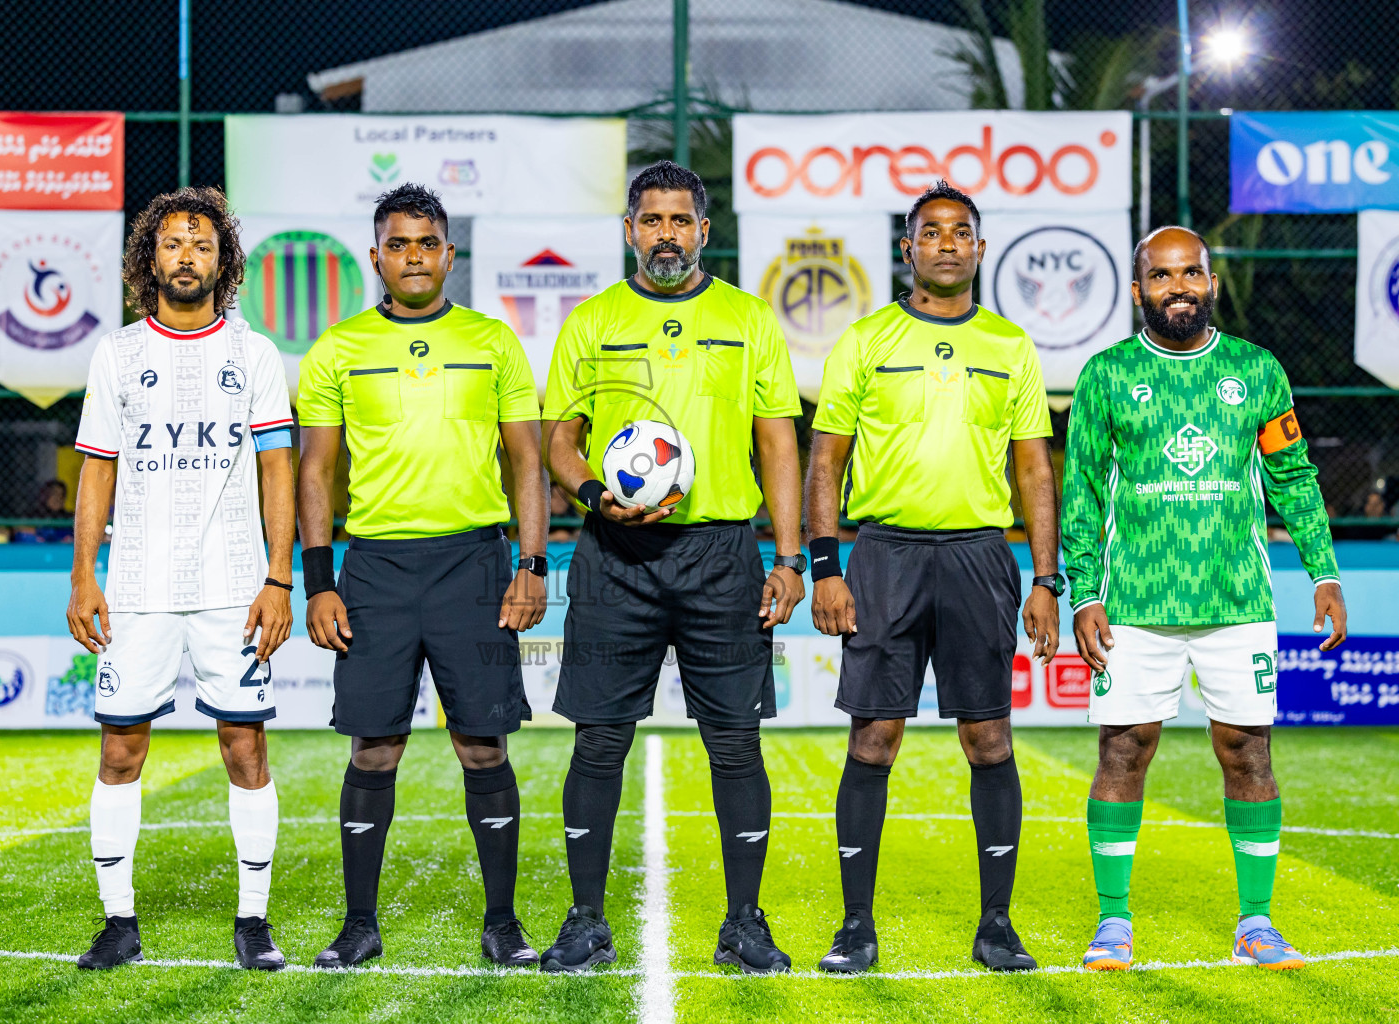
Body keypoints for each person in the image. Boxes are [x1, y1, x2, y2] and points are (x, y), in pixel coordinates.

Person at [538, 160, 805, 975]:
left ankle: (745, 924)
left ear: (704, 231)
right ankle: (585, 921)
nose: (665, 235)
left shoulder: (749, 318)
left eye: (679, 221)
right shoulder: (592, 319)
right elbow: (559, 438)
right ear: (629, 230)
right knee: (598, 743)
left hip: (720, 554)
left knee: (735, 744)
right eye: (650, 221)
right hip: (614, 553)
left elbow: (778, 442)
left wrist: (788, 557)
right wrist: (592, 494)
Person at [1063, 226, 1347, 972]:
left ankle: (1256, 923)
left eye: (1192, 273)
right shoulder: (1106, 375)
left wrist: (1324, 573)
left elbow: (1293, 477)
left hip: (1238, 601)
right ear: (1137, 291)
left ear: (1211, 282)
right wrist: (1084, 594)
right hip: (1133, 606)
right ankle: (1113, 923)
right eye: (1162, 276)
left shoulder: (1256, 372)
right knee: (1123, 748)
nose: (1179, 287)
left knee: (1248, 752)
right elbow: (1083, 495)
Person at [806, 180, 1061, 974]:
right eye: (931, 232)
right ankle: (855, 926)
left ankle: (996, 925)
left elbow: (1034, 469)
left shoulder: (1011, 347)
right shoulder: (865, 340)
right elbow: (826, 459)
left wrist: (1046, 578)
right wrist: (825, 564)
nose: (946, 243)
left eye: (961, 232)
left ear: (980, 250)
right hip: (883, 556)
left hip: (980, 557)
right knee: (874, 738)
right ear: (907, 248)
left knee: (988, 738)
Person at [297, 183, 549, 970]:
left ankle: (502, 923)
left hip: (473, 563)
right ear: (375, 256)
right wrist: (320, 579)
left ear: (448, 254)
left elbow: (527, 460)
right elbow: (316, 469)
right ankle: (359, 925)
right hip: (374, 569)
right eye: (398, 244)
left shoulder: (493, 340)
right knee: (373, 750)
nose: (413, 256)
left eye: (427, 243)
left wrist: (532, 564)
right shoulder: (337, 349)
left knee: (483, 747)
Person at [65, 186, 296, 972]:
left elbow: (277, 469)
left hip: (234, 585)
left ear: (223, 259)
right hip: (137, 587)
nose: (186, 255)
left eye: (201, 244)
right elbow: (96, 469)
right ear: (148, 259)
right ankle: (117, 921)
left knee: (244, 748)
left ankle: (254, 921)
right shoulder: (119, 354)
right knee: (121, 752)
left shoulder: (254, 353)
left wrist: (278, 578)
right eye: (171, 243)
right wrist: (83, 576)